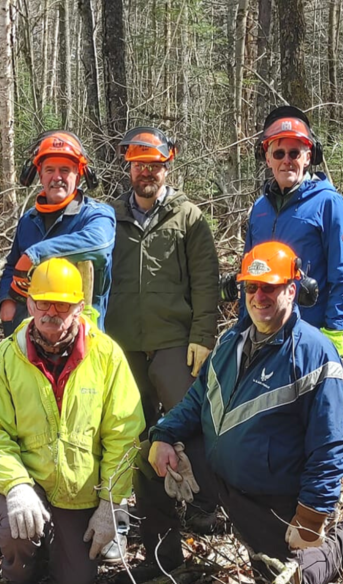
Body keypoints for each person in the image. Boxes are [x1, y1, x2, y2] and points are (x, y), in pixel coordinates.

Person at [132, 241, 343, 584]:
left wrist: (311, 516)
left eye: (270, 287)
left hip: (271, 499)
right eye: (252, 287)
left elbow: (330, 447)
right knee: (148, 460)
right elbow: (195, 402)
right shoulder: (228, 343)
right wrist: (162, 435)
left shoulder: (314, 356)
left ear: (292, 291)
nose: (259, 296)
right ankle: (166, 567)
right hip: (219, 477)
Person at [0, 258, 145, 584]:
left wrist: (111, 501)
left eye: (63, 304)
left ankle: (58, 554)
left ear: (80, 307)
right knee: (16, 538)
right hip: (32, 484)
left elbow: (124, 433)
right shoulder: (7, 358)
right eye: (43, 302)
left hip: (80, 493)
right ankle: (21, 568)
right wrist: (16, 486)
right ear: (29, 303)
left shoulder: (106, 355)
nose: (52, 312)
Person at [107, 126, 222, 538]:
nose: (147, 173)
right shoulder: (110, 216)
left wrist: (202, 335)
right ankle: (144, 510)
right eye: (140, 166)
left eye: (155, 165)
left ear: (166, 167)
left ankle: (202, 504)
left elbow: (207, 279)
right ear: (130, 168)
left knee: (189, 424)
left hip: (175, 341)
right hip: (122, 345)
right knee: (130, 429)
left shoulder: (188, 216)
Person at [245, 106, 343, 356]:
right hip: (263, 329)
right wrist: (244, 324)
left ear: (308, 157)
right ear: (268, 158)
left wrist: (334, 330)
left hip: (309, 331)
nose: (287, 160)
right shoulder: (259, 208)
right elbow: (249, 273)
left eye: (295, 152)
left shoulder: (328, 202)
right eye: (280, 153)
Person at [0, 130, 115, 336]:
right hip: (30, 328)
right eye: (50, 170)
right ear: (39, 175)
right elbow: (12, 265)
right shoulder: (29, 220)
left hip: (80, 331)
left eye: (65, 170)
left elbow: (100, 243)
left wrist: (35, 254)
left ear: (79, 175)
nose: (57, 177)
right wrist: (6, 300)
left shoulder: (96, 215)